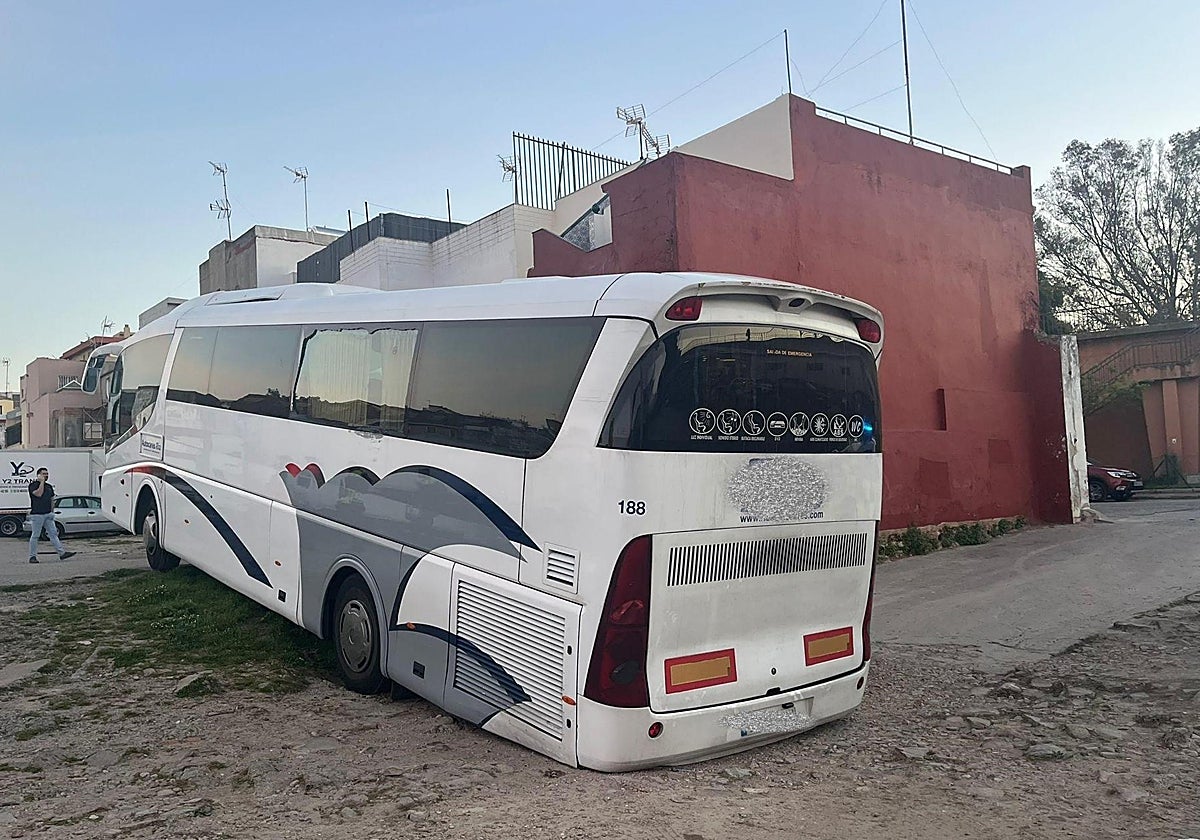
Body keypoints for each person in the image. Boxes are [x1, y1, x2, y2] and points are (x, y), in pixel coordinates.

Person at [28, 467, 76, 564]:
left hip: (48, 514)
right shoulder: (33, 485)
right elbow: (38, 494)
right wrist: (41, 482)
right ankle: (32, 556)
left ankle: (62, 553)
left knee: (53, 534)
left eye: (47, 474)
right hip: (37, 514)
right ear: (38, 475)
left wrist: (52, 512)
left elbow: (52, 499)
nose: (46, 475)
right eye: (44, 474)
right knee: (35, 535)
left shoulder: (49, 486)